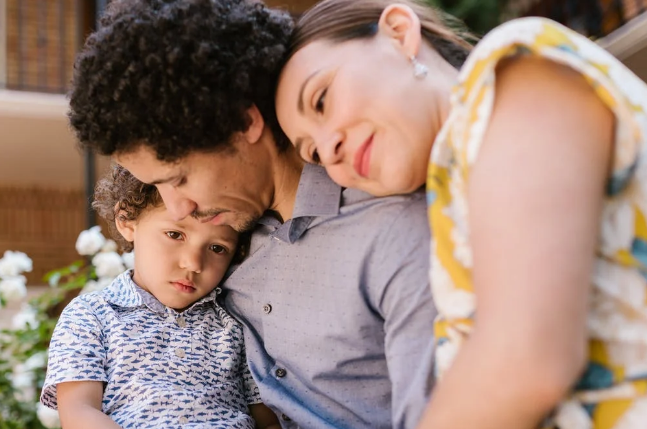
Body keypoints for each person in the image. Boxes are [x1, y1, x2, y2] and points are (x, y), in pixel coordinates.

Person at [275, 0, 647, 428]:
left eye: (321, 100)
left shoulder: (515, 67)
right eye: (314, 154)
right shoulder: (448, 205)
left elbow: (526, 358)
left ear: (398, 33)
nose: (330, 149)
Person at [68, 1, 437, 428]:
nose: (178, 209)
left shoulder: (391, 227)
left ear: (244, 124)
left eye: (179, 179)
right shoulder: (225, 247)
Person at [41, 165, 279, 429]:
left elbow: (266, 419)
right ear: (126, 221)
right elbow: (78, 414)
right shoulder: (90, 314)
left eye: (217, 248)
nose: (193, 263)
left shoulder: (236, 321)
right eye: (175, 234)